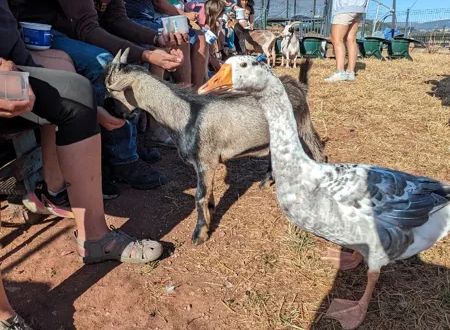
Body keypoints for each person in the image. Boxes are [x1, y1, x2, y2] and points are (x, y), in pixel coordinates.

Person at [0, 1, 163, 327]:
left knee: (77, 92)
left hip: (9, 75)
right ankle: (2, 314)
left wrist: (87, 106)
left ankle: (95, 238)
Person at [9, 0, 186, 193]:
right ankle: (122, 159)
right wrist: (146, 55)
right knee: (105, 64)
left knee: (130, 57)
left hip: (75, 31)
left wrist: (155, 40)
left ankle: (128, 142)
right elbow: (87, 29)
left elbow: (117, 19)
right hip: (45, 32)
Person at [124, 0, 209, 87]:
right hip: (135, 21)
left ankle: (195, 91)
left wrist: (184, 15)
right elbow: (159, 3)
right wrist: (184, 15)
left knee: (197, 35)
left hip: (149, 19)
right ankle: (189, 91)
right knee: (180, 36)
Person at [325, 0, 368, 82]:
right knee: (351, 39)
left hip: (344, 7)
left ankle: (340, 72)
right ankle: (350, 73)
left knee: (337, 39)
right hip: (359, 7)